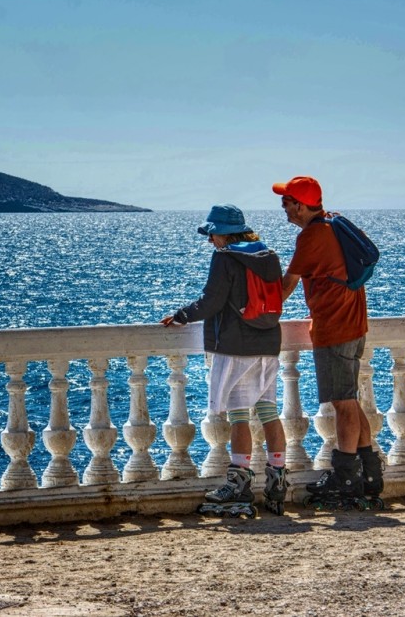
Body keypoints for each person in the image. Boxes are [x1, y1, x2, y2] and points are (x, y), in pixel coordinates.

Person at [161, 204, 289, 513]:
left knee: (238, 416)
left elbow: (212, 300)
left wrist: (181, 315)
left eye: (213, 234)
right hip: (269, 342)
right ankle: (278, 481)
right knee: (269, 411)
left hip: (237, 346)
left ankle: (239, 484)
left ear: (225, 234)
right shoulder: (268, 256)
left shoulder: (225, 258)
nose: (210, 241)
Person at [273, 175, 383, 506]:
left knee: (342, 403)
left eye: (286, 202)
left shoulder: (312, 236)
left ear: (302, 206)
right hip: (353, 322)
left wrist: (258, 314)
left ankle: (346, 478)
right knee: (348, 400)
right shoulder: (333, 224)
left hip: (335, 327)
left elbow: (287, 284)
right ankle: (369, 474)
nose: (284, 208)